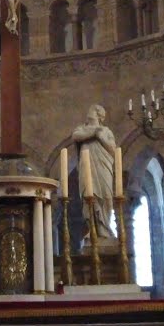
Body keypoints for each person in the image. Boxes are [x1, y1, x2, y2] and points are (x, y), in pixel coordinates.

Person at [71, 104, 118, 245]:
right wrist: (94, 133)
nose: (89, 112)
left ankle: (104, 228)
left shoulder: (106, 131)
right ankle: (93, 228)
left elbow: (112, 149)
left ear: (99, 115)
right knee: (89, 197)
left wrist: (100, 136)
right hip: (88, 168)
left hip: (103, 166)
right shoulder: (82, 129)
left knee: (106, 196)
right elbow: (76, 136)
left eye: (92, 110)